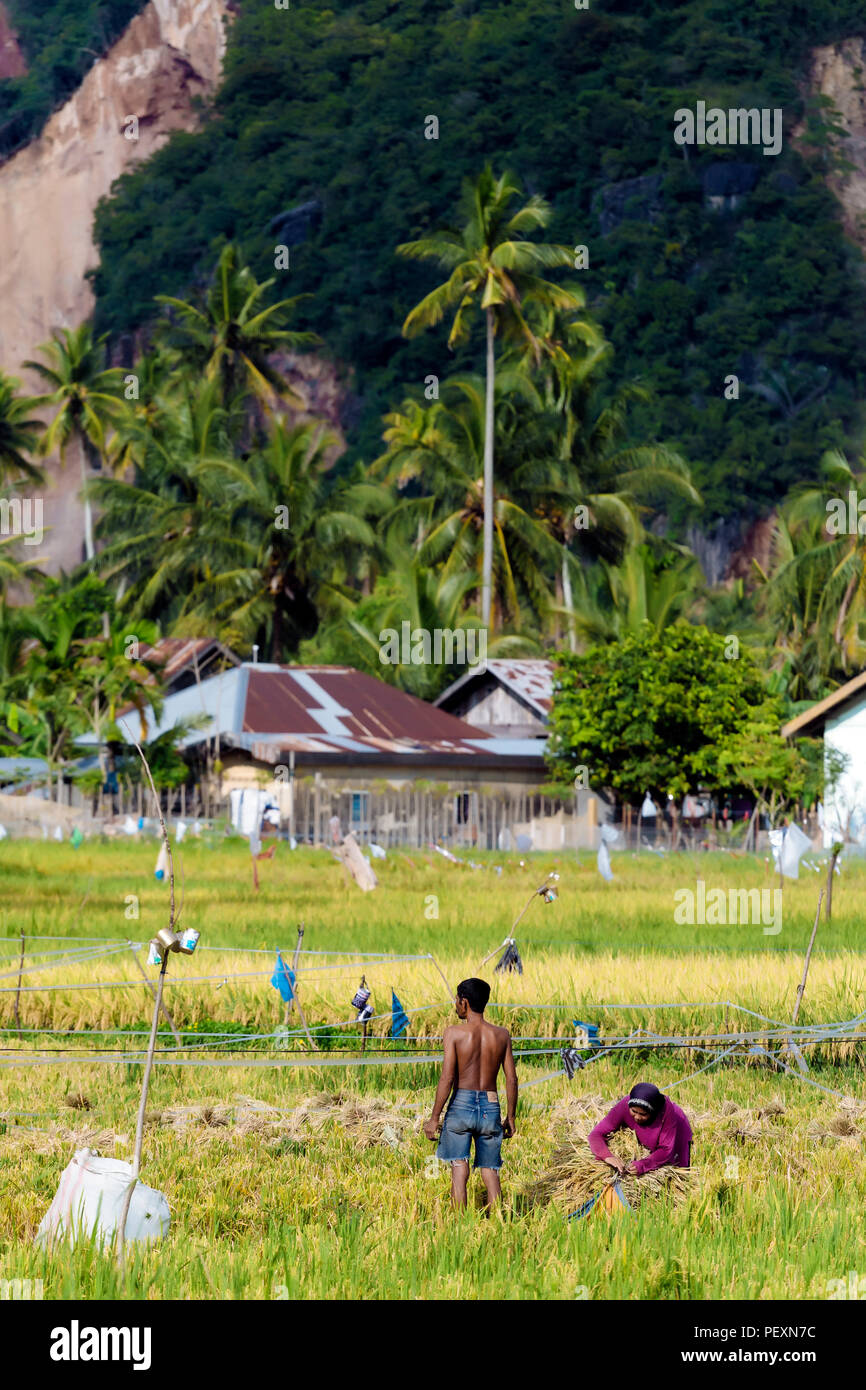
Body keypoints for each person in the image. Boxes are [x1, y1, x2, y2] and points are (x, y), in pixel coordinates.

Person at [423, 977, 517, 1211]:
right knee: (490, 1169)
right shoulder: (501, 1035)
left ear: (464, 1002)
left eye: (457, 999)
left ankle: (460, 1224)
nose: (455, 1004)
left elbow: (447, 1078)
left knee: (459, 1165)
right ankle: (500, 1222)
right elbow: (511, 1078)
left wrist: (435, 1117)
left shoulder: (453, 1033)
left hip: (461, 1103)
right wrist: (511, 1116)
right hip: (491, 1105)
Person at [587, 1082, 692, 1175]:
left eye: (643, 1114)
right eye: (634, 1111)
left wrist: (643, 1165)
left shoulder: (667, 1114)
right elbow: (596, 1134)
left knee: (677, 1166)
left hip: (679, 1131)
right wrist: (607, 1156)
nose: (637, 1117)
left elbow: (666, 1150)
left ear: (653, 1112)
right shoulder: (626, 1104)